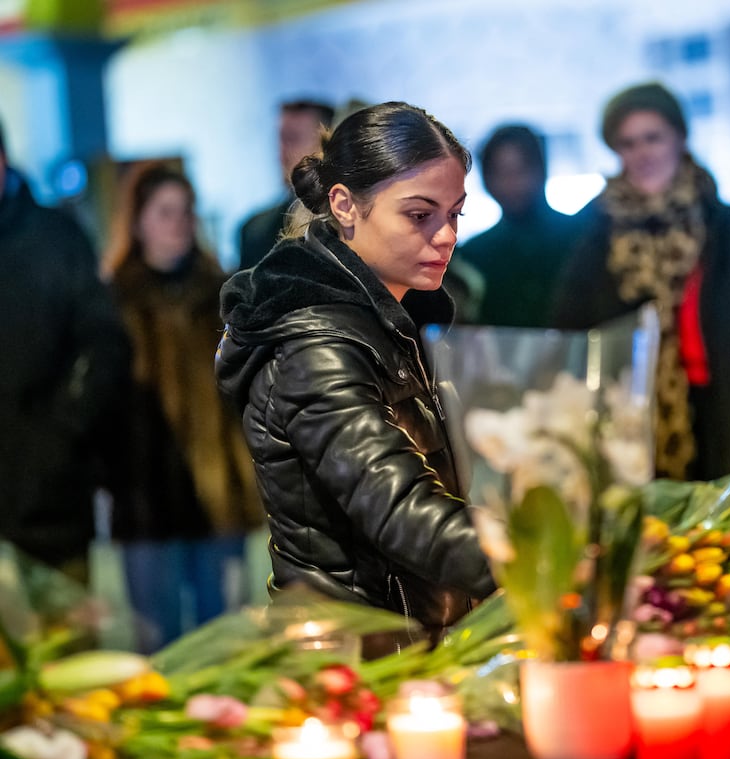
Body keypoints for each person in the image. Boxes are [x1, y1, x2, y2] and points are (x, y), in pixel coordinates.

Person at [216, 101, 497, 642]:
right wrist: (542, 561)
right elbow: (399, 506)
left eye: (455, 213)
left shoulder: (399, 317)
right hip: (357, 656)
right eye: (419, 214)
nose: (446, 236)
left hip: (413, 637)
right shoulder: (315, 344)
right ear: (345, 205)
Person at [552, 82, 730, 481]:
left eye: (653, 137)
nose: (642, 153)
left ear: (680, 138)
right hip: (637, 440)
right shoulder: (596, 244)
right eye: (627, 143)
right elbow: (572, 341)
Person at [102, 161, 264, 651]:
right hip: (145, 492)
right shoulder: (113, 302)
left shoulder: (225, 295)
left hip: (217, 491)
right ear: (137, 221)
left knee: (225, 636)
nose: (177, 224)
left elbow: (251, 389)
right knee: (158, 641)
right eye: (164, 212)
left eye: (185, 212)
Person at [0, 117, 131, 593]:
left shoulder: (55, 238)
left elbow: (104, 344)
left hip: (49, 500)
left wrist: (60, 436)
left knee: (69, 650)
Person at [455, 124, 581, 327]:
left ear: (541, 169)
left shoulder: (582, 237)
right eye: (501, 172)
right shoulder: (474, 254)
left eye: (521, 170)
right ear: (486, 180)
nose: (512, 182)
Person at [237, 99, 336, 270]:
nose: (282, 150)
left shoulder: (350, 225)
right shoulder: (254, 232)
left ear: (327, 145)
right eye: (281, 139)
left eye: (293, 138)